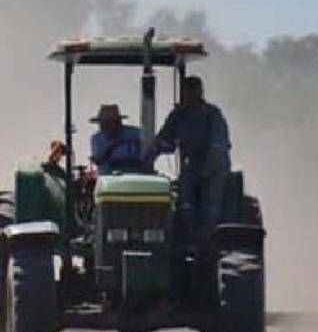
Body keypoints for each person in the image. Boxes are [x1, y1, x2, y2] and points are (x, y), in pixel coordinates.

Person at [144, 76, 232, 237]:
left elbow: (218, 145)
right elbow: (165, 140)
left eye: (194, 90)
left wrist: (209, 167)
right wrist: (149, 157)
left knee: (211, 207)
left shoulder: (212, 114)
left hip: (214, 168)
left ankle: (209, 238)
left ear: (200, 92)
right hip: (190, 166)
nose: (190, 95)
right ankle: (188, 236)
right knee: (185, 202)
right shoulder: (179, 115)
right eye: (187, 91)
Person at [89, 104, 145, 173]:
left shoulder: (136, 134)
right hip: (110, 179)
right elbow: (99, 159)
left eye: (108, 123)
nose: (104, 127)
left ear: (118, 122)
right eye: (102, 123)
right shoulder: (97, 139)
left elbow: (149, 151)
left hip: (136, 176)